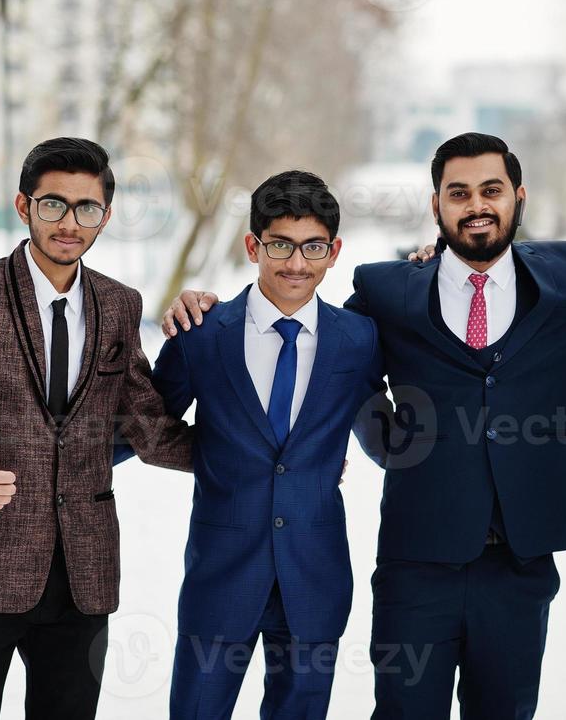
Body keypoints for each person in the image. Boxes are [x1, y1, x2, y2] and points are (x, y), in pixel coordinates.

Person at [166, 134, 566, 719]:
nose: (476, 204)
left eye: (491, 190)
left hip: (519, 561)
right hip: (417, 560)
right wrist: (209, 310)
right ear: (436, 206)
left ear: (518, 196)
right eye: (458, 193)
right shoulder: (390, 292)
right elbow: (312, 353)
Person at [0, 136, 194, 720]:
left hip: (84, 576)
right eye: (54, 205)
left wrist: (265, 450)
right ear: (24, 207)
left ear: (106, 216)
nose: (70, 222)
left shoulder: (120, 305)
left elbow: (152, 431)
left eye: (86, 208)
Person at [116, 170, 382, 719]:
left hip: (315, 576)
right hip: (222, 573)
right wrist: (55, 462)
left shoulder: (359, 340)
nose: (296, 263)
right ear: (253, 246)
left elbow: (382, 428)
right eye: (280, 245)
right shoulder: (202, 333)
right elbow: (145, 423)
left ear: (333, 252)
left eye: (312, 247)